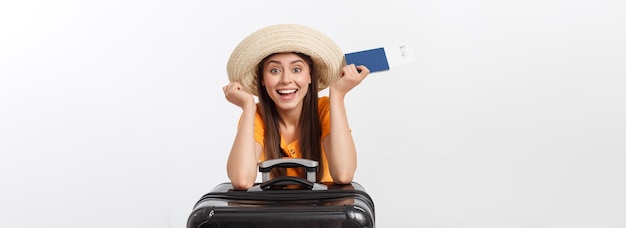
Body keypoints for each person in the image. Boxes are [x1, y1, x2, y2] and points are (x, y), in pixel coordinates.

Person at [222, 24, 370, 190]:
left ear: (310, 77)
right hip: (276, 213)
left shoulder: (324, 110)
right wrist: (248, 107)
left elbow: (343, 175)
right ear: (262, 79)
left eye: (296, 69)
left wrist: (337, 95)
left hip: (325, 212)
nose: (286, 79)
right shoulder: (256, 116)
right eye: (275, 70)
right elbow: (241, 180)